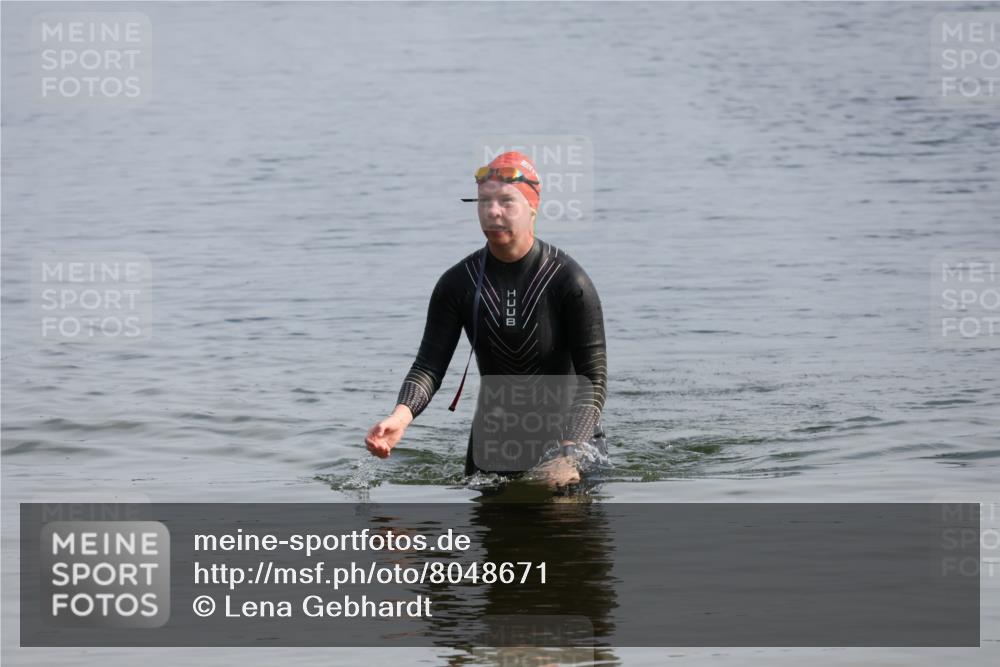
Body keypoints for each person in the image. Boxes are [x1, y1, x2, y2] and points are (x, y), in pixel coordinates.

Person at [364, 151, 607, 488]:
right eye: (484, 202)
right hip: (493, 444)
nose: (493, 212)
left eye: (507, 202)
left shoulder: (568, 281)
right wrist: (400, 417)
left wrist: (568, 454)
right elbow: (428, 367)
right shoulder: (457, 283)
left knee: (562, 521)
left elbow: (592, 380)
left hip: (570, 439)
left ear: (533, 208)